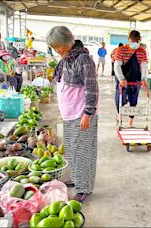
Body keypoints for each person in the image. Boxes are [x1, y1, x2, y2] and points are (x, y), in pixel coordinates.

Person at [46, 26, 99, 202]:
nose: (56, 51)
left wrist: (88, 113)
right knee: (72, 150)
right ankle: (76, 178)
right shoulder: (66, 59)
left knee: (83, 152)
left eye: (57, 46)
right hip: (69, 114)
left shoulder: (83, 59)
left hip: (81, 114)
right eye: (54, 48)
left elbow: (92, 87)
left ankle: (84, 188)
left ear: (67, 41)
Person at [114, 30, 148, 128]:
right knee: (120, 99)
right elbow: (117, 66)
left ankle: (130, 121)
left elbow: (144, 65)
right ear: (129, 40)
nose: (135, 43)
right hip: (122, 77)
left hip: (135, 79)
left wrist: (143, 78)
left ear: (139, 40)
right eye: (133, 40)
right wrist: (121, 78)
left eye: (137, 41)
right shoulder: (121, 50)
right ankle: (119, 117)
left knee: (134, 100)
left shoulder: (142, 51)